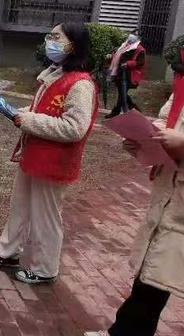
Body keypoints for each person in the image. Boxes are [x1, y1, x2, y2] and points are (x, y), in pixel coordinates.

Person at [0, 22, 98, 284]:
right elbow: (43, 109)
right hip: (33, 155)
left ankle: (45, 269)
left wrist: (29, 120)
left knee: (46, 216)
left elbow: (75, 128)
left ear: (73, 45)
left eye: (57, 37)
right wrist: (20, 112)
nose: (50, 41)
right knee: (18, 208)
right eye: (50, 36)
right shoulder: (53, 74)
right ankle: (8, 252)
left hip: (54, 162)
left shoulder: (80, 84)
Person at [85, 91, 184, 336]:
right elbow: (166, 121)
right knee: (151, 281)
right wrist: (146, 139)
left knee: (154, 281)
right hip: (170, 201)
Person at [105, 30, 146, 118]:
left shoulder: (139, 49)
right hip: (118, 73)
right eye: (131, 34)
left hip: (128, 75)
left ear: (139, 38)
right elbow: (118, 56)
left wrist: (128, 64)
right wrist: (111, 56)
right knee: (122, 94)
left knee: (122, 94)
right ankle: (133, 111)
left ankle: (120, 112)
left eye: (135, 35)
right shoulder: (124, 45)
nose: (132, 36)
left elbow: (140, 62)